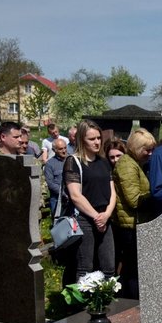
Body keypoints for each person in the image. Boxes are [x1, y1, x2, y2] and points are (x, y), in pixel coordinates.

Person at [64, 120, 117, 282]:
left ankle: (105, 300)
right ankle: (84, 305)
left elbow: (112, 191)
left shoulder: (103, 162)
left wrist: (106, 214)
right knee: (85, 267)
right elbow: (75, 195)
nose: (97, 142)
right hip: (84, 219)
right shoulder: (74, 161)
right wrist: (96, 217)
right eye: (91, 139)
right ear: (81, 140)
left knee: (109, 267)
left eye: (98, 138)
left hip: (104, 218)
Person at [113, 129, 158, 300]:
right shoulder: (126, 164)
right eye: (147, 149)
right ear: (137, 147)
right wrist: (156, 194)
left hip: (134, 222)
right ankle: (130, 302)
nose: (150, 153)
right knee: (132, 269)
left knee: (133, 267)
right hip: (129, 225)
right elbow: (133, 199)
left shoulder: (134, 163)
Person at [44, 138, 68, 216]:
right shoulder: (50, 164)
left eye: (65, 148)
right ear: (54, 150)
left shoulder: (71, 160)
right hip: (57, 199)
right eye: (61, 149)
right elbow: (50, 183)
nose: (64, 151)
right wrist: (64, 193)